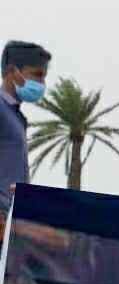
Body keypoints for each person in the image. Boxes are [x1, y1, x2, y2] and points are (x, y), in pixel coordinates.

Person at [0, 41, 51, 228]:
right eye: (37, 75)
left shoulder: (15, 116)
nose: (42, 84)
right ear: (13, 73)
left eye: (44, 77)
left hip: (13, 223)